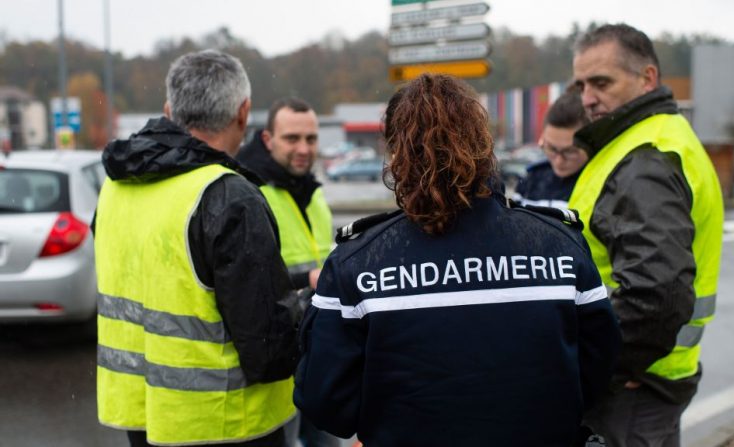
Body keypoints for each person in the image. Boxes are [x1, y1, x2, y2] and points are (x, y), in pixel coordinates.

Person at [293, 73, 622, 447]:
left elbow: (326, 404)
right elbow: (597, 374)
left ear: (397, 154)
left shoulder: (357, 263)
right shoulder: (560, 246)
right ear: (483, 144)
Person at [94, 50, 308, 447]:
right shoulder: (228, 196)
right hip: (227, 424)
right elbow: (267, 349)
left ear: (169, 109)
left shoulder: (114, 189)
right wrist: (308, 310)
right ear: (243, 112)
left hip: (143, 417)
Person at [569, 24, 724, 447]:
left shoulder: (646, 158)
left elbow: (656, 296)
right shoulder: (649, 142)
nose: (587, 98)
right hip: (645, 383)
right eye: (581, 85)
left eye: (601, 82)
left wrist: (597, 369)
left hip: (632, 389)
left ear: (647, 78)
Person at [237, 100, 335, 447]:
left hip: (320, 349)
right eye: (292, 138)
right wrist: (307, 278)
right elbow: (247, 280)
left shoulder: (310, 191)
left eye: (311, 139)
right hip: (278, 354)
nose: (303, 149)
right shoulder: (250, 193)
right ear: (267, 139)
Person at [513, 89, 589, 208]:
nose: (559, 161)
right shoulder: (531, 180)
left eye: (569, 152)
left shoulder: (604, 185)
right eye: (552, 149)